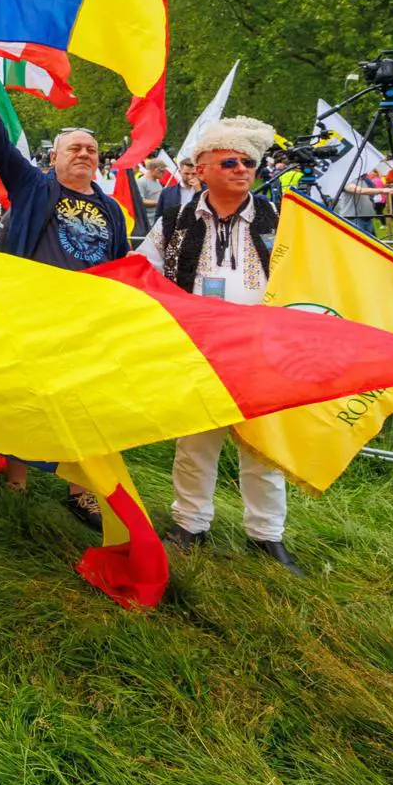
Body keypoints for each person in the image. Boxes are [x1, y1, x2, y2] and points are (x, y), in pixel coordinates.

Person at [0, 61, 128, 528]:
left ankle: (83, 491)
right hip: (33, 314)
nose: (84, 153)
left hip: (87, 321)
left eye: (92, 149)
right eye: (74, 147)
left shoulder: (111, 208)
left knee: (86, 404)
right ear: (52, 157)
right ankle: (16, 483)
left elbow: (118, 265)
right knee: (28, 398)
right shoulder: (34, 187)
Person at [138, 119, 303, 573]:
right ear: (201, 169)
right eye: (229, 161)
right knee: (195, 442)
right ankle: (189, 525)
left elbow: (336, 261)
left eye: (249, 162)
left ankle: (267, 535)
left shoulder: (282, 218)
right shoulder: (175, 220)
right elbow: (141, 269)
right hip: (199, 349)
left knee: (262, 447)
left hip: (262, 349)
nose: (242, 169)